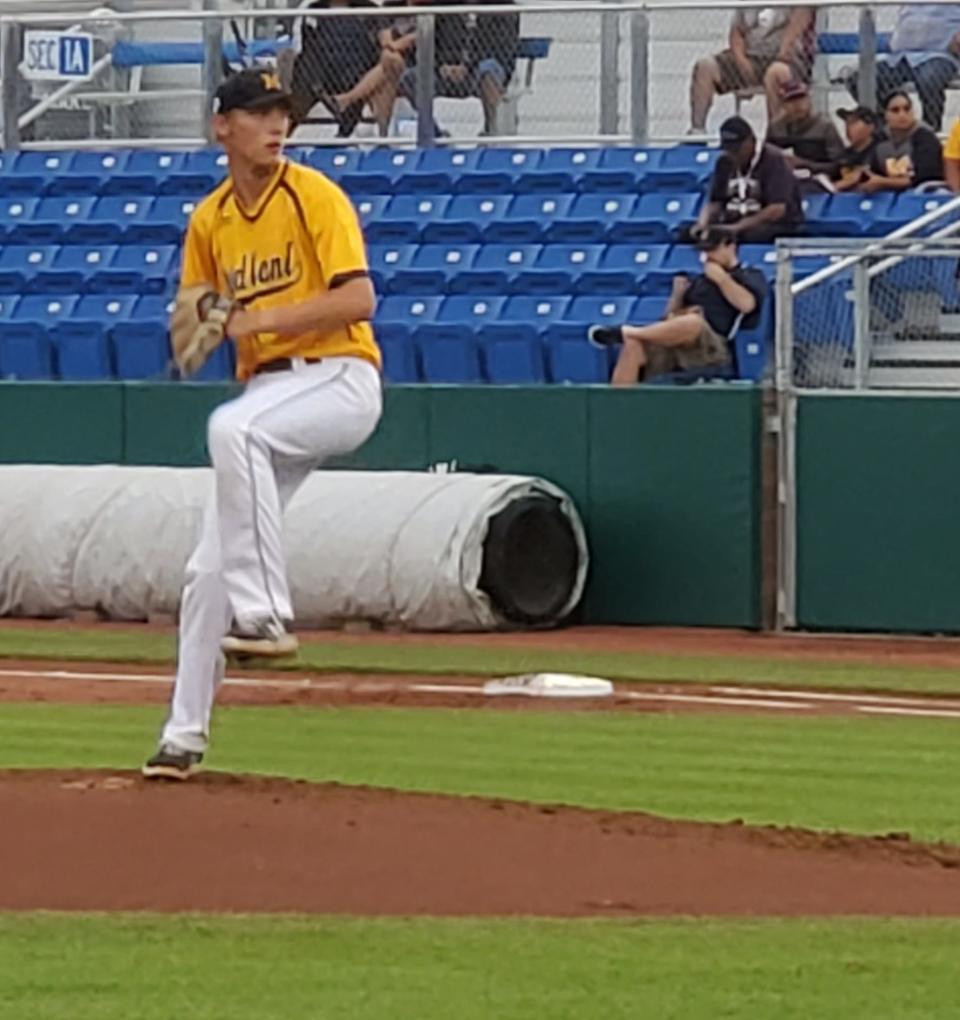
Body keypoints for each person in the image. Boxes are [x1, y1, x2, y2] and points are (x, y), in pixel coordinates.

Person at [142, 70, 383, 781]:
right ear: (223, 127)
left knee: (233, 431)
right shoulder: (211, 220)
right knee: (203, 571)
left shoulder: (313, 195)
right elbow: (197, 317)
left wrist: (262, 318)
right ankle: (182, 736)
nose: (275, 125)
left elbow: (361, 298)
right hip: (272, 393)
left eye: (281, 113)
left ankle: (267, 613)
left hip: (338, 377)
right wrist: (195, 330)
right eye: (258, 113)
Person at [587, 230, 767, 386]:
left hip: (712, 343)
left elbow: (747, 305)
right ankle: (616, 403)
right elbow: (668, 317)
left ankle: (628, 331)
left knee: (693, 322)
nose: (708, 256)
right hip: (680, 340)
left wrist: (721, 279)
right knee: (633, 344)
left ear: (730, 246)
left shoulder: (748, 275)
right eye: (704, 251)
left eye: (712, 250)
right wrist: (678, 295)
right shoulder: (698, 281)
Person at [397, 0, 519, 137]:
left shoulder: (503, 7)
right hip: (447, 71)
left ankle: (491, 130)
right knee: (410, 79)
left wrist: (467, 66)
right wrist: (442, 65)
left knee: (488, 69)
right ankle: (433, 132)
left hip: (479, 70)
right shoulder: (444, 7)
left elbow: (499, 48)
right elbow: (433, 43)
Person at [689, 6, 816, 134]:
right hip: (750, 55)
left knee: (776, 72)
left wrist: (782, 55)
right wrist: (741, 60)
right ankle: (697, 132)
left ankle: (776, 137)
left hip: (787, 59)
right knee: (705, 66)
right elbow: (736, 33)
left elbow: (797, 27)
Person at [845, 4, 960, 133]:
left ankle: (929, 134)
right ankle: (886, 129)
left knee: (929, 79)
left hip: (938, 54)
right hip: (900, 57)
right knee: (857, 80)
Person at [692, 115, 804, 244]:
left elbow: (777, 209)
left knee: (752, 235)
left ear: (752, 141)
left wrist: (738, 227)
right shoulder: (724, 162)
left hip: (772, 225)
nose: (733, 154)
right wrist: (702, 224)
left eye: (737, 149)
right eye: (729, 150)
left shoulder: (773, 160)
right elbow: (715, 201)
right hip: (733, 221)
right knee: (688, 235)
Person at [284, 0, 384, 137]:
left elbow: (380, 46)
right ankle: (288, 133)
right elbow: (300, 49)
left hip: (359, 70)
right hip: (320, 71)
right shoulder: (311, 7)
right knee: (304, 68)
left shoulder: (371, 8)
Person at [861, 90, 944, 194]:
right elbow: (869, 172)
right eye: (895, 110)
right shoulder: (879, 139)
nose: (902, 114)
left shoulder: (925, 137)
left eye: (907, 109)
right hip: (887, 196)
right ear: (885, 115)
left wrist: (883, 182)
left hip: (922, 193)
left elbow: (925, 178)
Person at [765, 80, 845, 179]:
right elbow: (766, 160)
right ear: (783, 105)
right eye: (791, 101)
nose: (797, 105)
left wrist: (806, 164)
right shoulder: (775, 128)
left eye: (801, 99)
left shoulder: (824, 127)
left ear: (809, 100)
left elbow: (839, 166)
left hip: (818, 181)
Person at [827, 106, 883, 192]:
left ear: (870, 126)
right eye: (847, 123)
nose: (848, 128)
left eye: (853, 123)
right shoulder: (843, 156)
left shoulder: (882, 151)